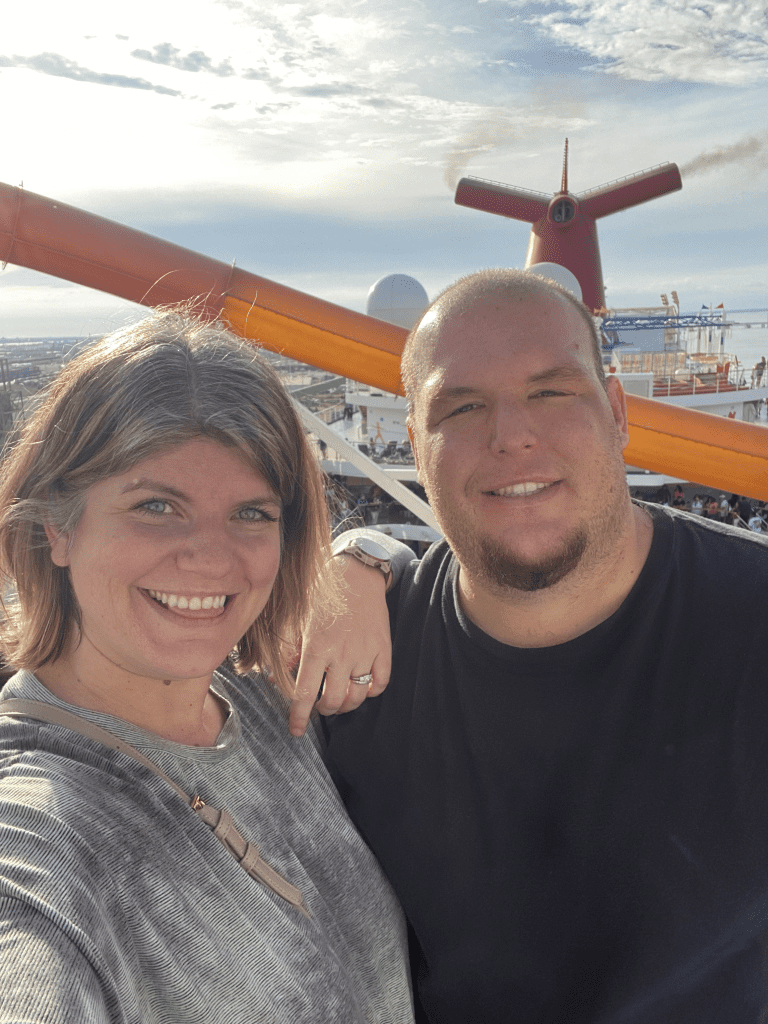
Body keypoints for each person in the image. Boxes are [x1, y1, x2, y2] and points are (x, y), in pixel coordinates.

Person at [291, 269, 768, 1023]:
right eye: (462, 405)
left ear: (615, 412)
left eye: (551, 391)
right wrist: (358, 554)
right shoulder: (355, 675)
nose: (511, 434)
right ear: (414, 444)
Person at [0, 310, 414, 1024]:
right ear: (57, 528)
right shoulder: (40, 826)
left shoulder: (263, 696)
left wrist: (365, 561)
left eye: (251, 514)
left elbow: (401, 552)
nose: (211, 558)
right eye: (156, 505)